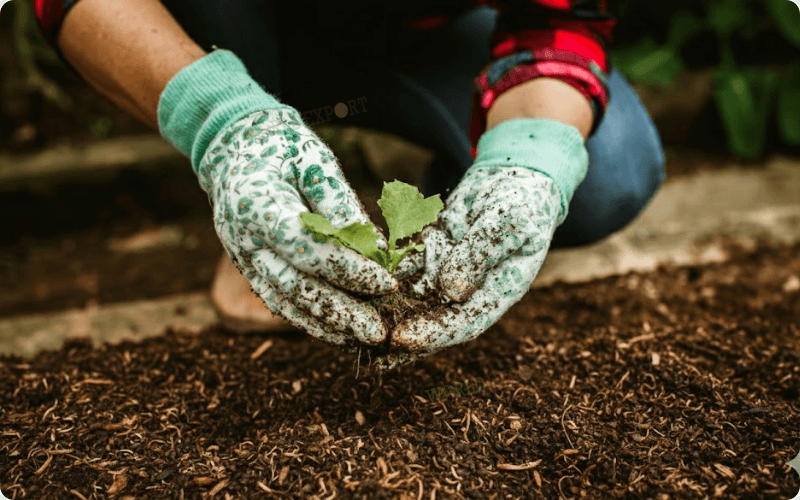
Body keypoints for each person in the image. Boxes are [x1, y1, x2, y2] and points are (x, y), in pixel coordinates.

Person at [35, 0, 664, 365]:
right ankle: (256, 194)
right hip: (223, 29)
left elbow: (560, 20)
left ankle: (441, 230)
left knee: (605, 175)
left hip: (415, 35)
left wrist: (527, 163)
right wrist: (223, 126)